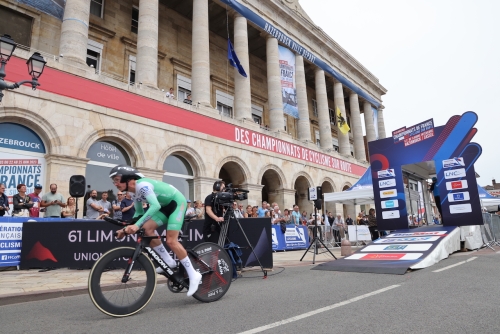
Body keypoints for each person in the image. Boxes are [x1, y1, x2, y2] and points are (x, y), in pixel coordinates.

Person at [110, 165, 201, 297]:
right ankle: (168, 261)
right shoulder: (134, 193)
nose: (115, 184)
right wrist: (125, 229)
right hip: (165, 206)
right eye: (114, 181)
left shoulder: (142, 185)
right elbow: (139, 215)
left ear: (128, 179)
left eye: (117, 180)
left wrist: (136, 226)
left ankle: (194, 274)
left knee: (171, 240)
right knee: (147, 229)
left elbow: (155, 206)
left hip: (176, 203)